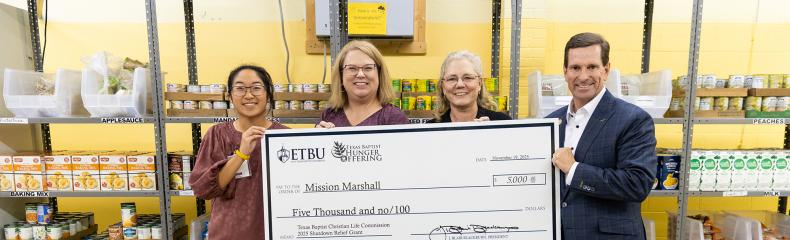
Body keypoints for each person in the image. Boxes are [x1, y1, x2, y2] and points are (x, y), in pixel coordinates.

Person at [547, 33, 657, 240]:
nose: (583, 76)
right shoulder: (552, 121)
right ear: (565, 72)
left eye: (592, 67)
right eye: (575, 68)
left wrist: (574, 170)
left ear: (606, 70)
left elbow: (638, 184)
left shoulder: (633, 119)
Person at [189, 65, 290, 239]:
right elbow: (204, 190)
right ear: (230, 96)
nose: (249, 95)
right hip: (229, 233)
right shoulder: (217, 134)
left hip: (275, 232)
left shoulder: (283, 136)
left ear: (268, 95)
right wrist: (241, 154)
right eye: (240, 89)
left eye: (257, 88)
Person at [316, 40, 408, 128]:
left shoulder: (394, 118)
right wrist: (317, 140)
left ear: (379, 74)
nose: (360, 74)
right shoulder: (328, 116)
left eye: (368, 68)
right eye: (352, 68)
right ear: (341, 75)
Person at [428, 50, 511, 123]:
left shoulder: (502, 123)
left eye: (467, 77)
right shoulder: (430, 130)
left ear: (479, 84)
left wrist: (492, 134)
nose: (460, 84)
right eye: (452, 79)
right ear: (443, 87)